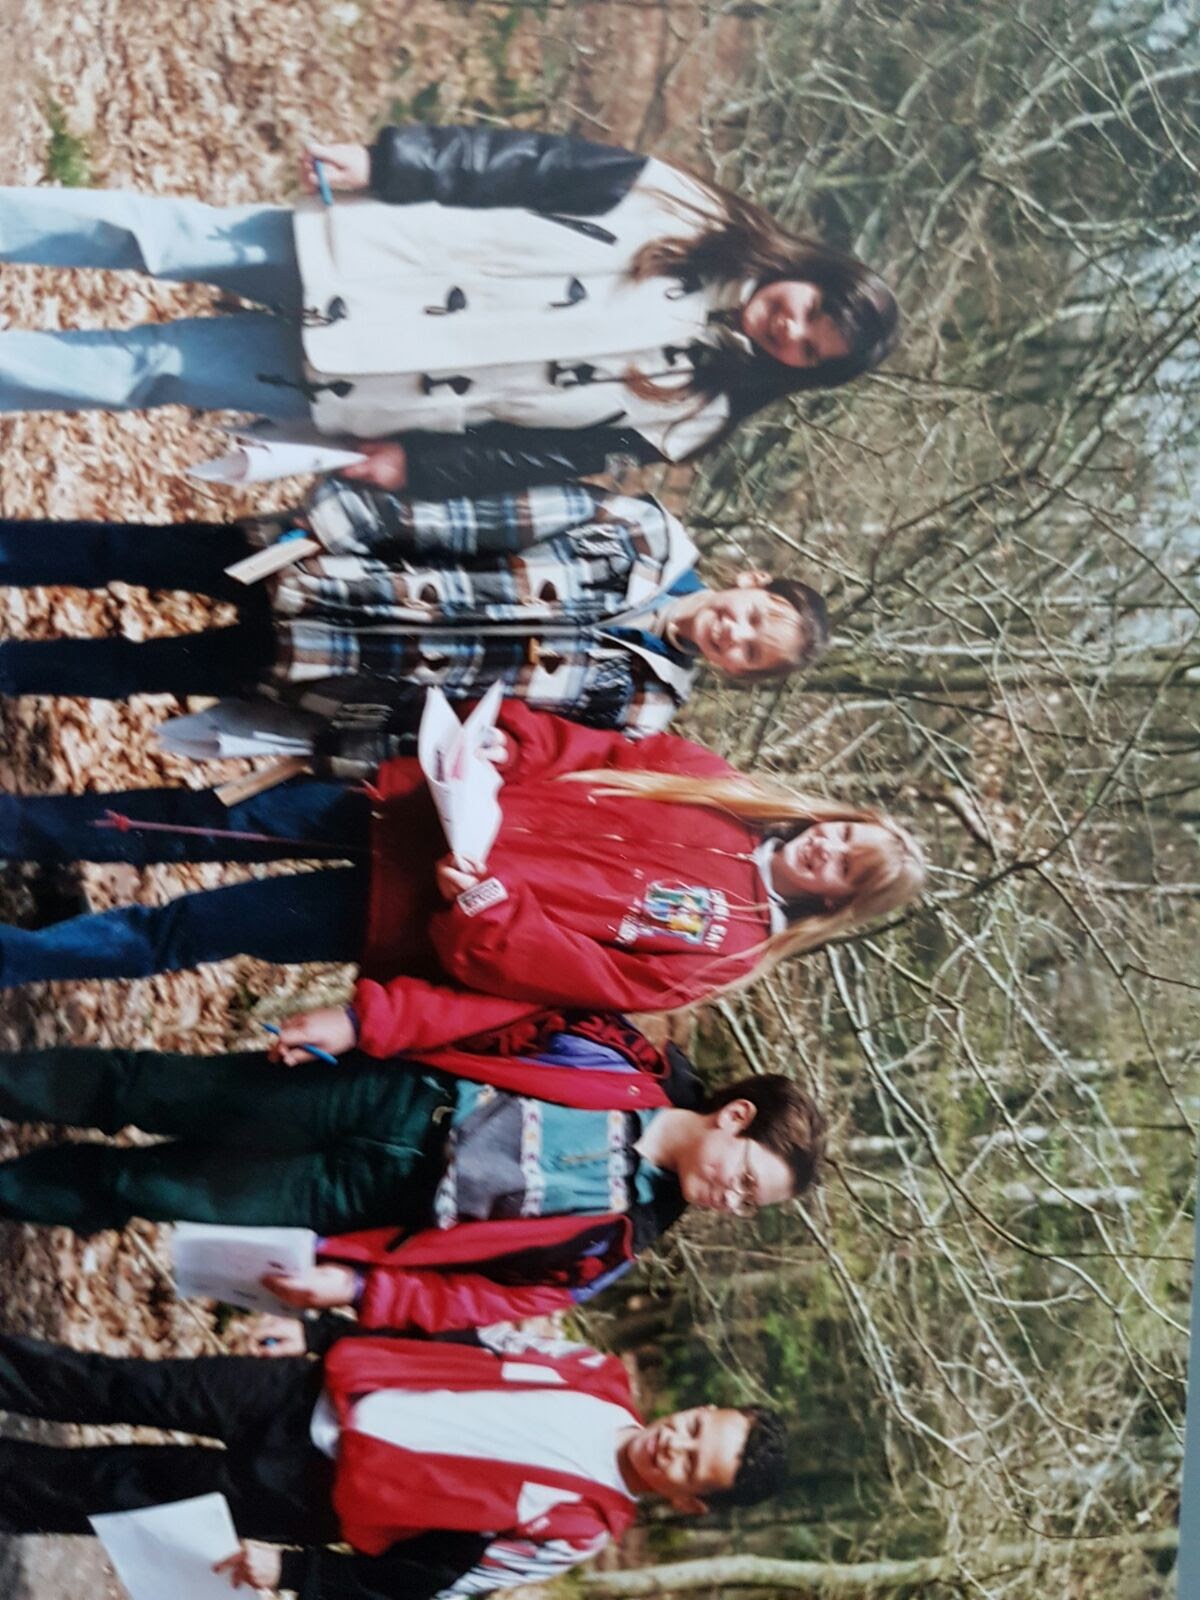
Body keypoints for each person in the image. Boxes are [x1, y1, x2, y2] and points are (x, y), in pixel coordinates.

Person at [0, 124, 898, 494]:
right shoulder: (683, 205)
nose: (787, 329)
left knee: (144, 371)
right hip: (374, 259)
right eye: (807, 309)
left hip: (375, 383)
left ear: (803, 372)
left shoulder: (693, 419)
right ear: (808, 271)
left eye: (808, 350)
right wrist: (391, 161)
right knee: (158, 237)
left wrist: (412, 465)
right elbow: (518, 163)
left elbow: (536, 456)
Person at [0, 703, 925, 1040]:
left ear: (837, 900)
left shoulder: (720, 949)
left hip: (396, 909)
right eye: (844, 833)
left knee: (184, 932)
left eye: (845, 868)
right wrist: (497, 748)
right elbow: (578, 747)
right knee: (187, 822)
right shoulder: (716, 785)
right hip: (402, 812)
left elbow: (570, 971)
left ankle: (16, 957)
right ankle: (19, 828)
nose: (827, 850)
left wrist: (483, 900)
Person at [0, 1014, 825, 1336]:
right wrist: (361, 1020)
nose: (733, 1201)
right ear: (736, 1116)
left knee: (151, 1188)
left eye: (750, 1206)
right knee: (154, 1090)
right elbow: (492, 1010)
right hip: (389, 1097)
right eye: (748, 1180)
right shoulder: (625, 1054)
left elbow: (485, 1298)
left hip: (372, 1201)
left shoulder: (614, 1244)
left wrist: (361, 1290)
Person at [0, 479, 828, 763]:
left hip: (333, 666)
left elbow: (486, 732)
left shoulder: (642, 710)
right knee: (125, 552)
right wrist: (344, 516)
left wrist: (342, 744)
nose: (736, 631)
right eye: (757, 613)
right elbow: (478, 517)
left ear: (739, 674)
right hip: (333, 567)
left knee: (137, 670)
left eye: (753, 650)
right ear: (750, 581)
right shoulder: (644, 532)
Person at [0, 1322, 787, 1599]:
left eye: (691, 1463)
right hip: (306, 1390)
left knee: (107, 1491)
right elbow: (449, 1340)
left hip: (304, 1494)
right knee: (114, 1382)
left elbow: (425, 1579)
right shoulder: (587, 1371)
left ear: (689, 1504)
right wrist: (320, 1334)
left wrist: (300, 1576)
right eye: (693, 1425)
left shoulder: (575, 1528)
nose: (673, 1441)